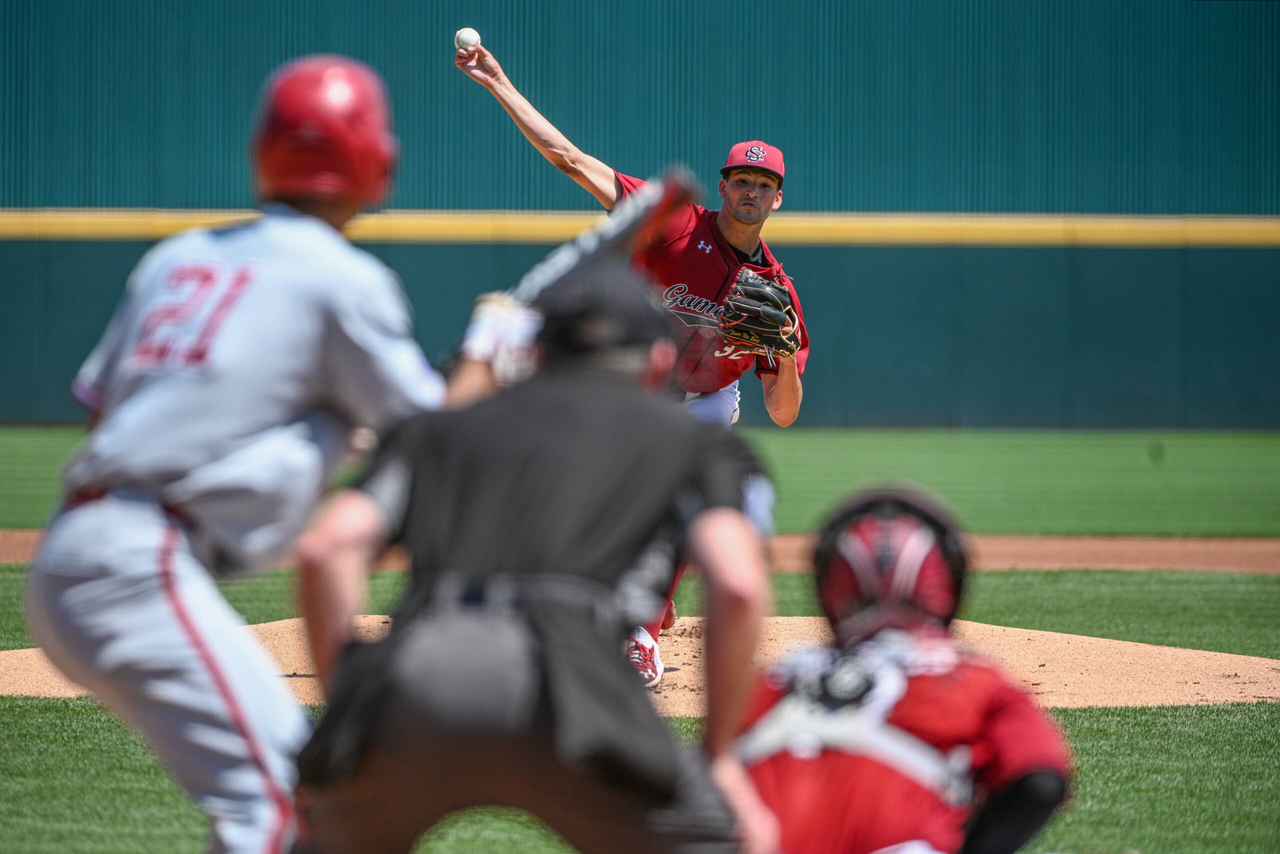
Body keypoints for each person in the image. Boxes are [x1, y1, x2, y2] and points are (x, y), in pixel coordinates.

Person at [23, 55, 446, 854]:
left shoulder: (177, 257)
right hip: (136, 567)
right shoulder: (344, 278)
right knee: (284, 805)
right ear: (375, 162)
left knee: (291, 799)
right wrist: (499, 353)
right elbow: (431, 434)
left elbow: (104, 415)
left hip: (80, 552)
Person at [290, 258, 780, 854]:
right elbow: (737, 582)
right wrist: (719, 756)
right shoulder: (693, 442)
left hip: (413, 680)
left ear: (537, 355)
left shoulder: (436, 430)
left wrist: (354, 701)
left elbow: (326, 547)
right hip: (572, 688)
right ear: (657, 363)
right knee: (731, 839)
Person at [456, 42, 810, 683]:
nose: (752, 192)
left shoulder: (778, 293)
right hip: (628, 384)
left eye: (765, 185)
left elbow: (783, 414)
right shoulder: (673, 220)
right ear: (723, 185)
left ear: (777, 199)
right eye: (742, 181)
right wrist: (499, 83)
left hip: (704, 400)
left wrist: (781, 355)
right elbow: (569, 160)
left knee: (685, 493)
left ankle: (641, 633)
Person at [734, 486, 1072, 854]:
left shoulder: (777, 675)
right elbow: (1041, 781)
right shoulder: (973, 677)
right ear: (944, 588)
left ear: (830, 589)